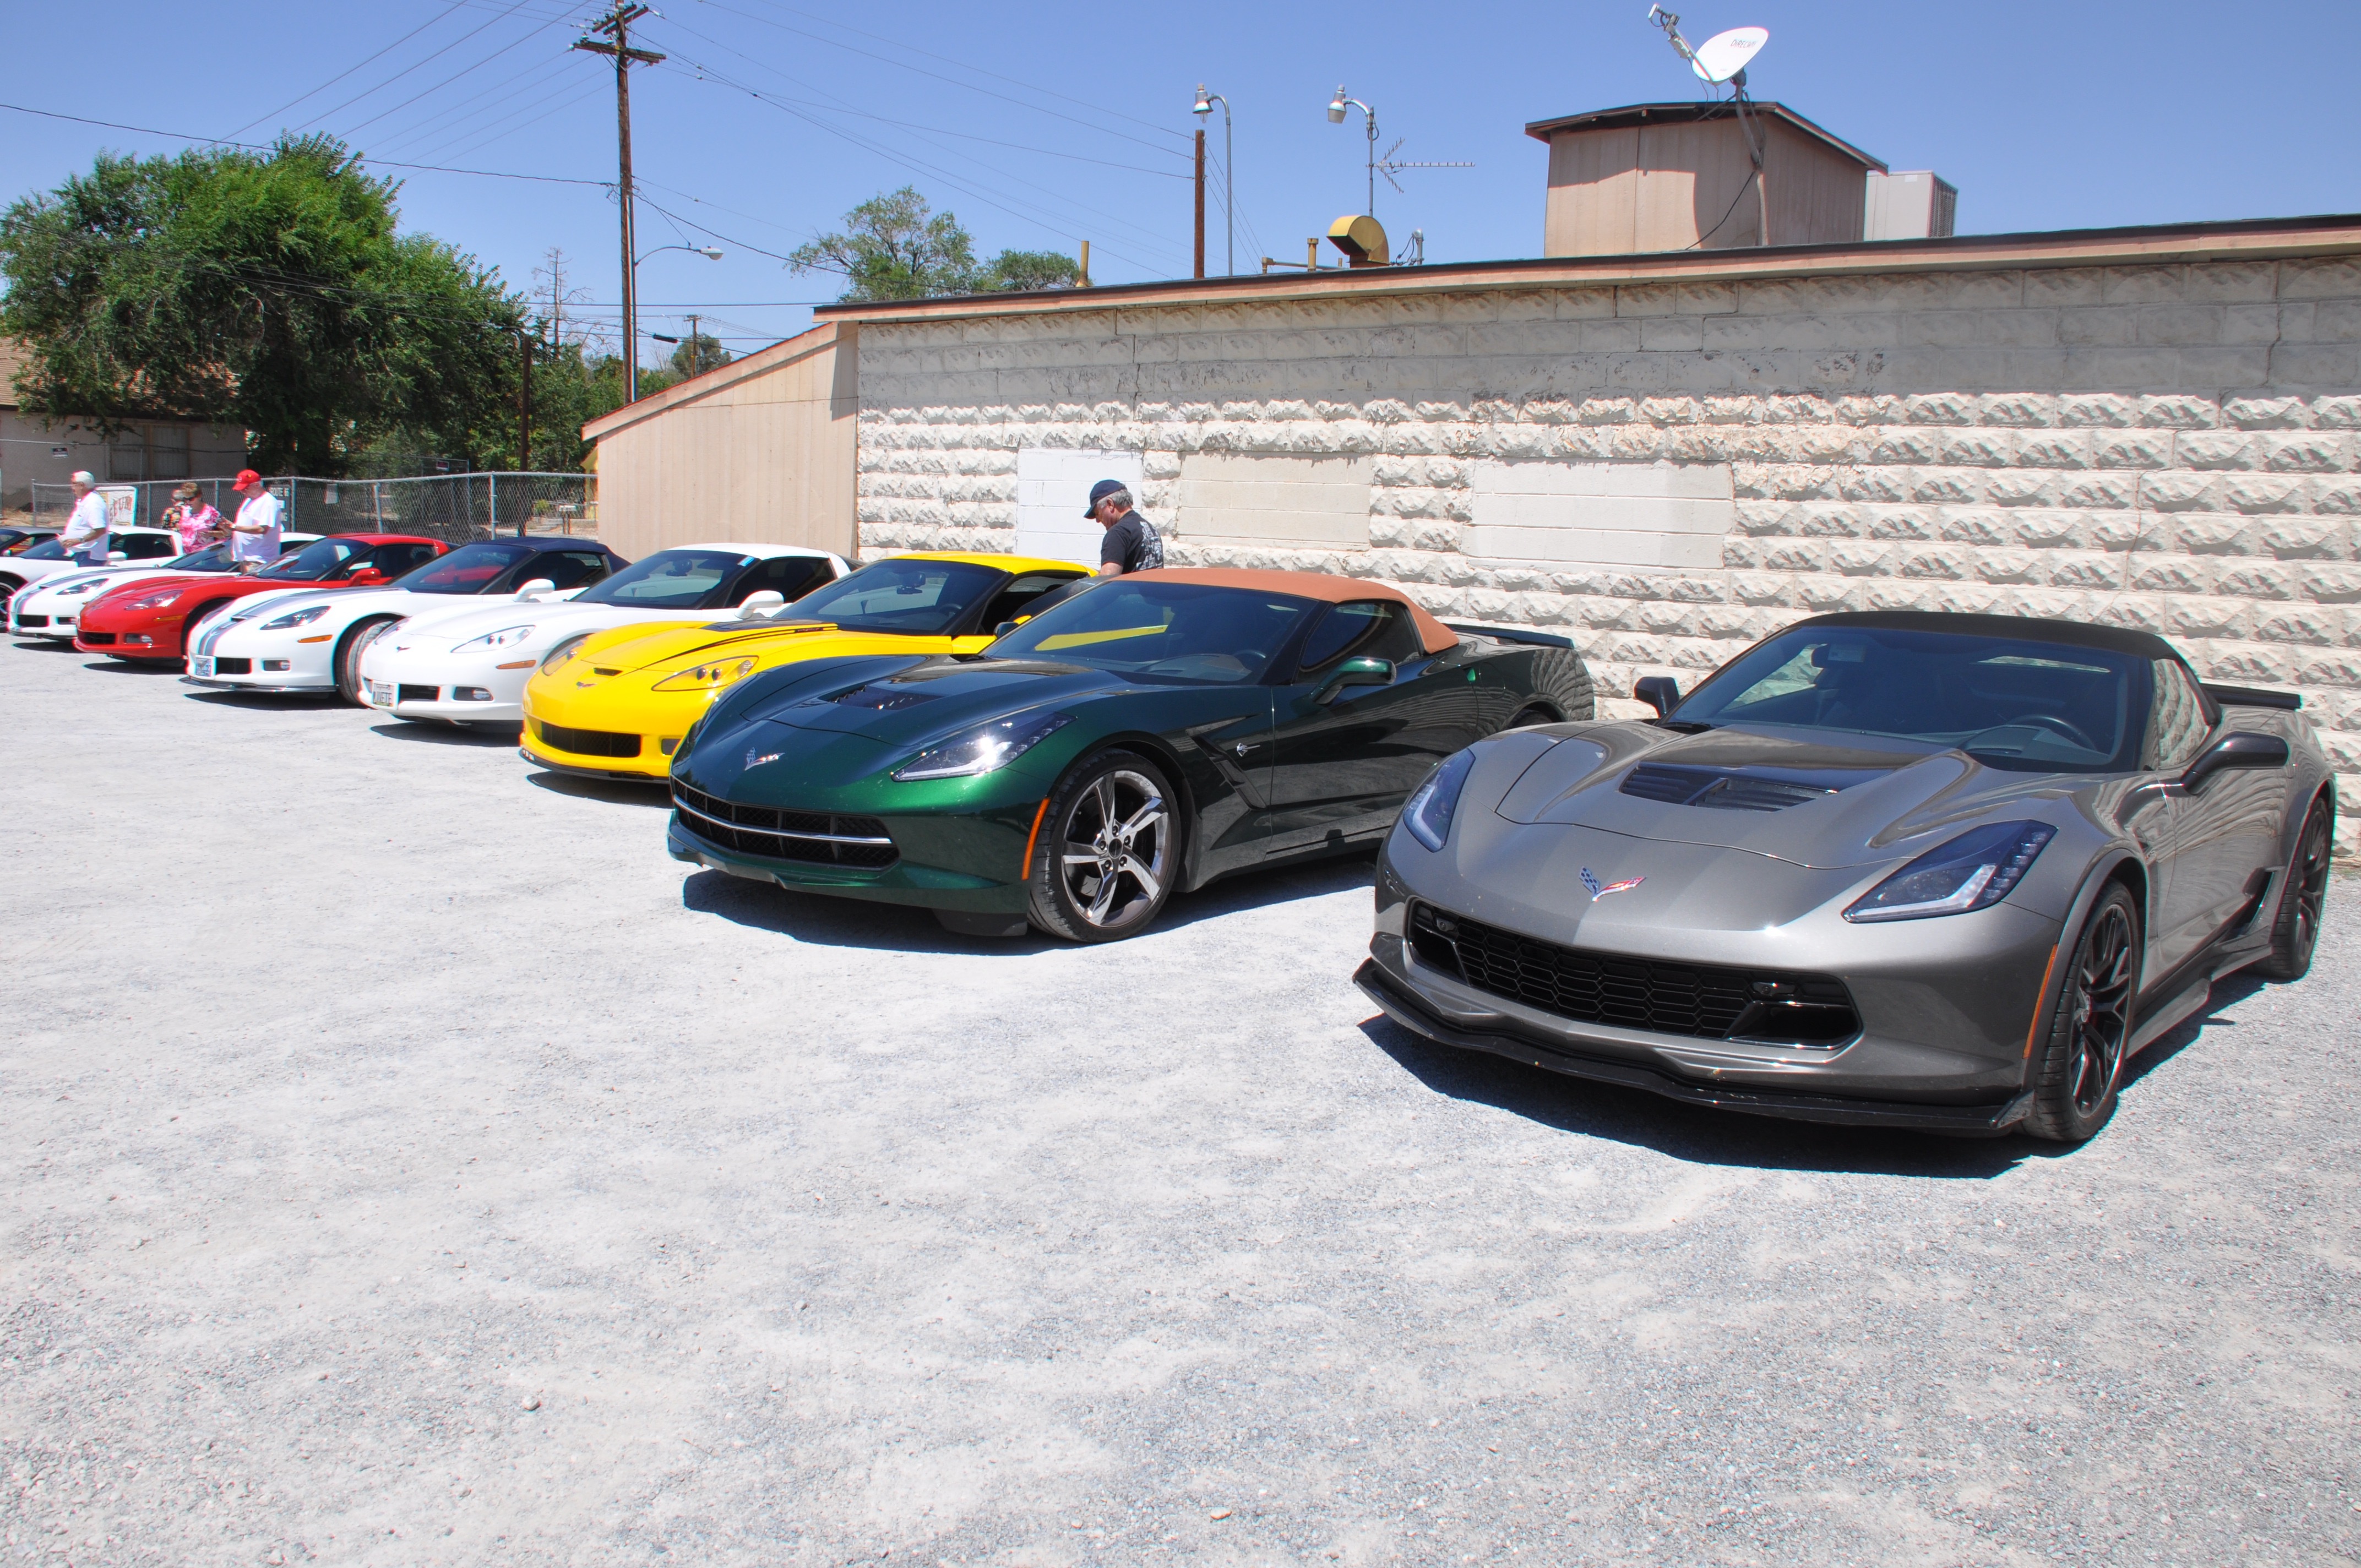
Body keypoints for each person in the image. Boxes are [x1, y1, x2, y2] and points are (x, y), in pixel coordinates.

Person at [1086, 478, 1163, 577]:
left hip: (1132, 592)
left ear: (1110, 504)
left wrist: (1082, 585)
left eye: (1098, 513)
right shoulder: (1150, 528)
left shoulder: (1118, 533)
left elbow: (1107, 579)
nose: (1097, 520)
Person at [227, 470, 281, 570]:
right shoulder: (248, 500)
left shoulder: (268, 502)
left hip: (259, 560)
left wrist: (235, 527)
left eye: (245, 488)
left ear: (257, 485)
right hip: (246, 558)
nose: (243, 492)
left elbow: (263, 529)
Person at [59, 471, 111, 566]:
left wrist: (78, 540)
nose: (72, 488)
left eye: (74, 484)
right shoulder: (84, 501)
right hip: (82, 554)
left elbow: (100, 530)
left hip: (90, 556)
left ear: (82, 485)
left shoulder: (94, 503)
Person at [164, 482, 224, 555]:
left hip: (204, 555)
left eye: (191, 499)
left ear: (199, 496)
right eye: (185, 499)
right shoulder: (183, 511)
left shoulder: (212, 513)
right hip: (183, 554)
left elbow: (225, 534)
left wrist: (211, 534)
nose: (188, 502)